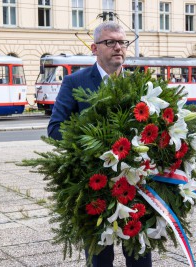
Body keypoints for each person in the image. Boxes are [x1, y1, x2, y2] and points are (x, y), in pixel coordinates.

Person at [47, 21, 152, 267]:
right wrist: (94, 142)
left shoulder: (140, 83)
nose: (118, 47)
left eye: (123, 42)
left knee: (139, 255)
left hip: (135, 184)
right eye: (110, 42)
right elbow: (55, 128)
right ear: (94, 48)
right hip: (95, 183)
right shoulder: (75, 82)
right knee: (100, 257)